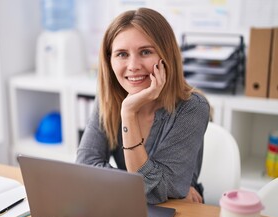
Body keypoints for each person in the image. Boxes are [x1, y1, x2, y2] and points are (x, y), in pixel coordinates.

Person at [76, 7, 210, 204]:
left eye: (145, 52)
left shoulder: (193, 107)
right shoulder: (109, 98)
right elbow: (84, 167)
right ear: (109, 60)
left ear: (167, 55)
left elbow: (154, 193)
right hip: (127, 204)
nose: (133, 65)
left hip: (179, 210)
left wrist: (128, 113)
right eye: (122, 54)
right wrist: (142, 184)